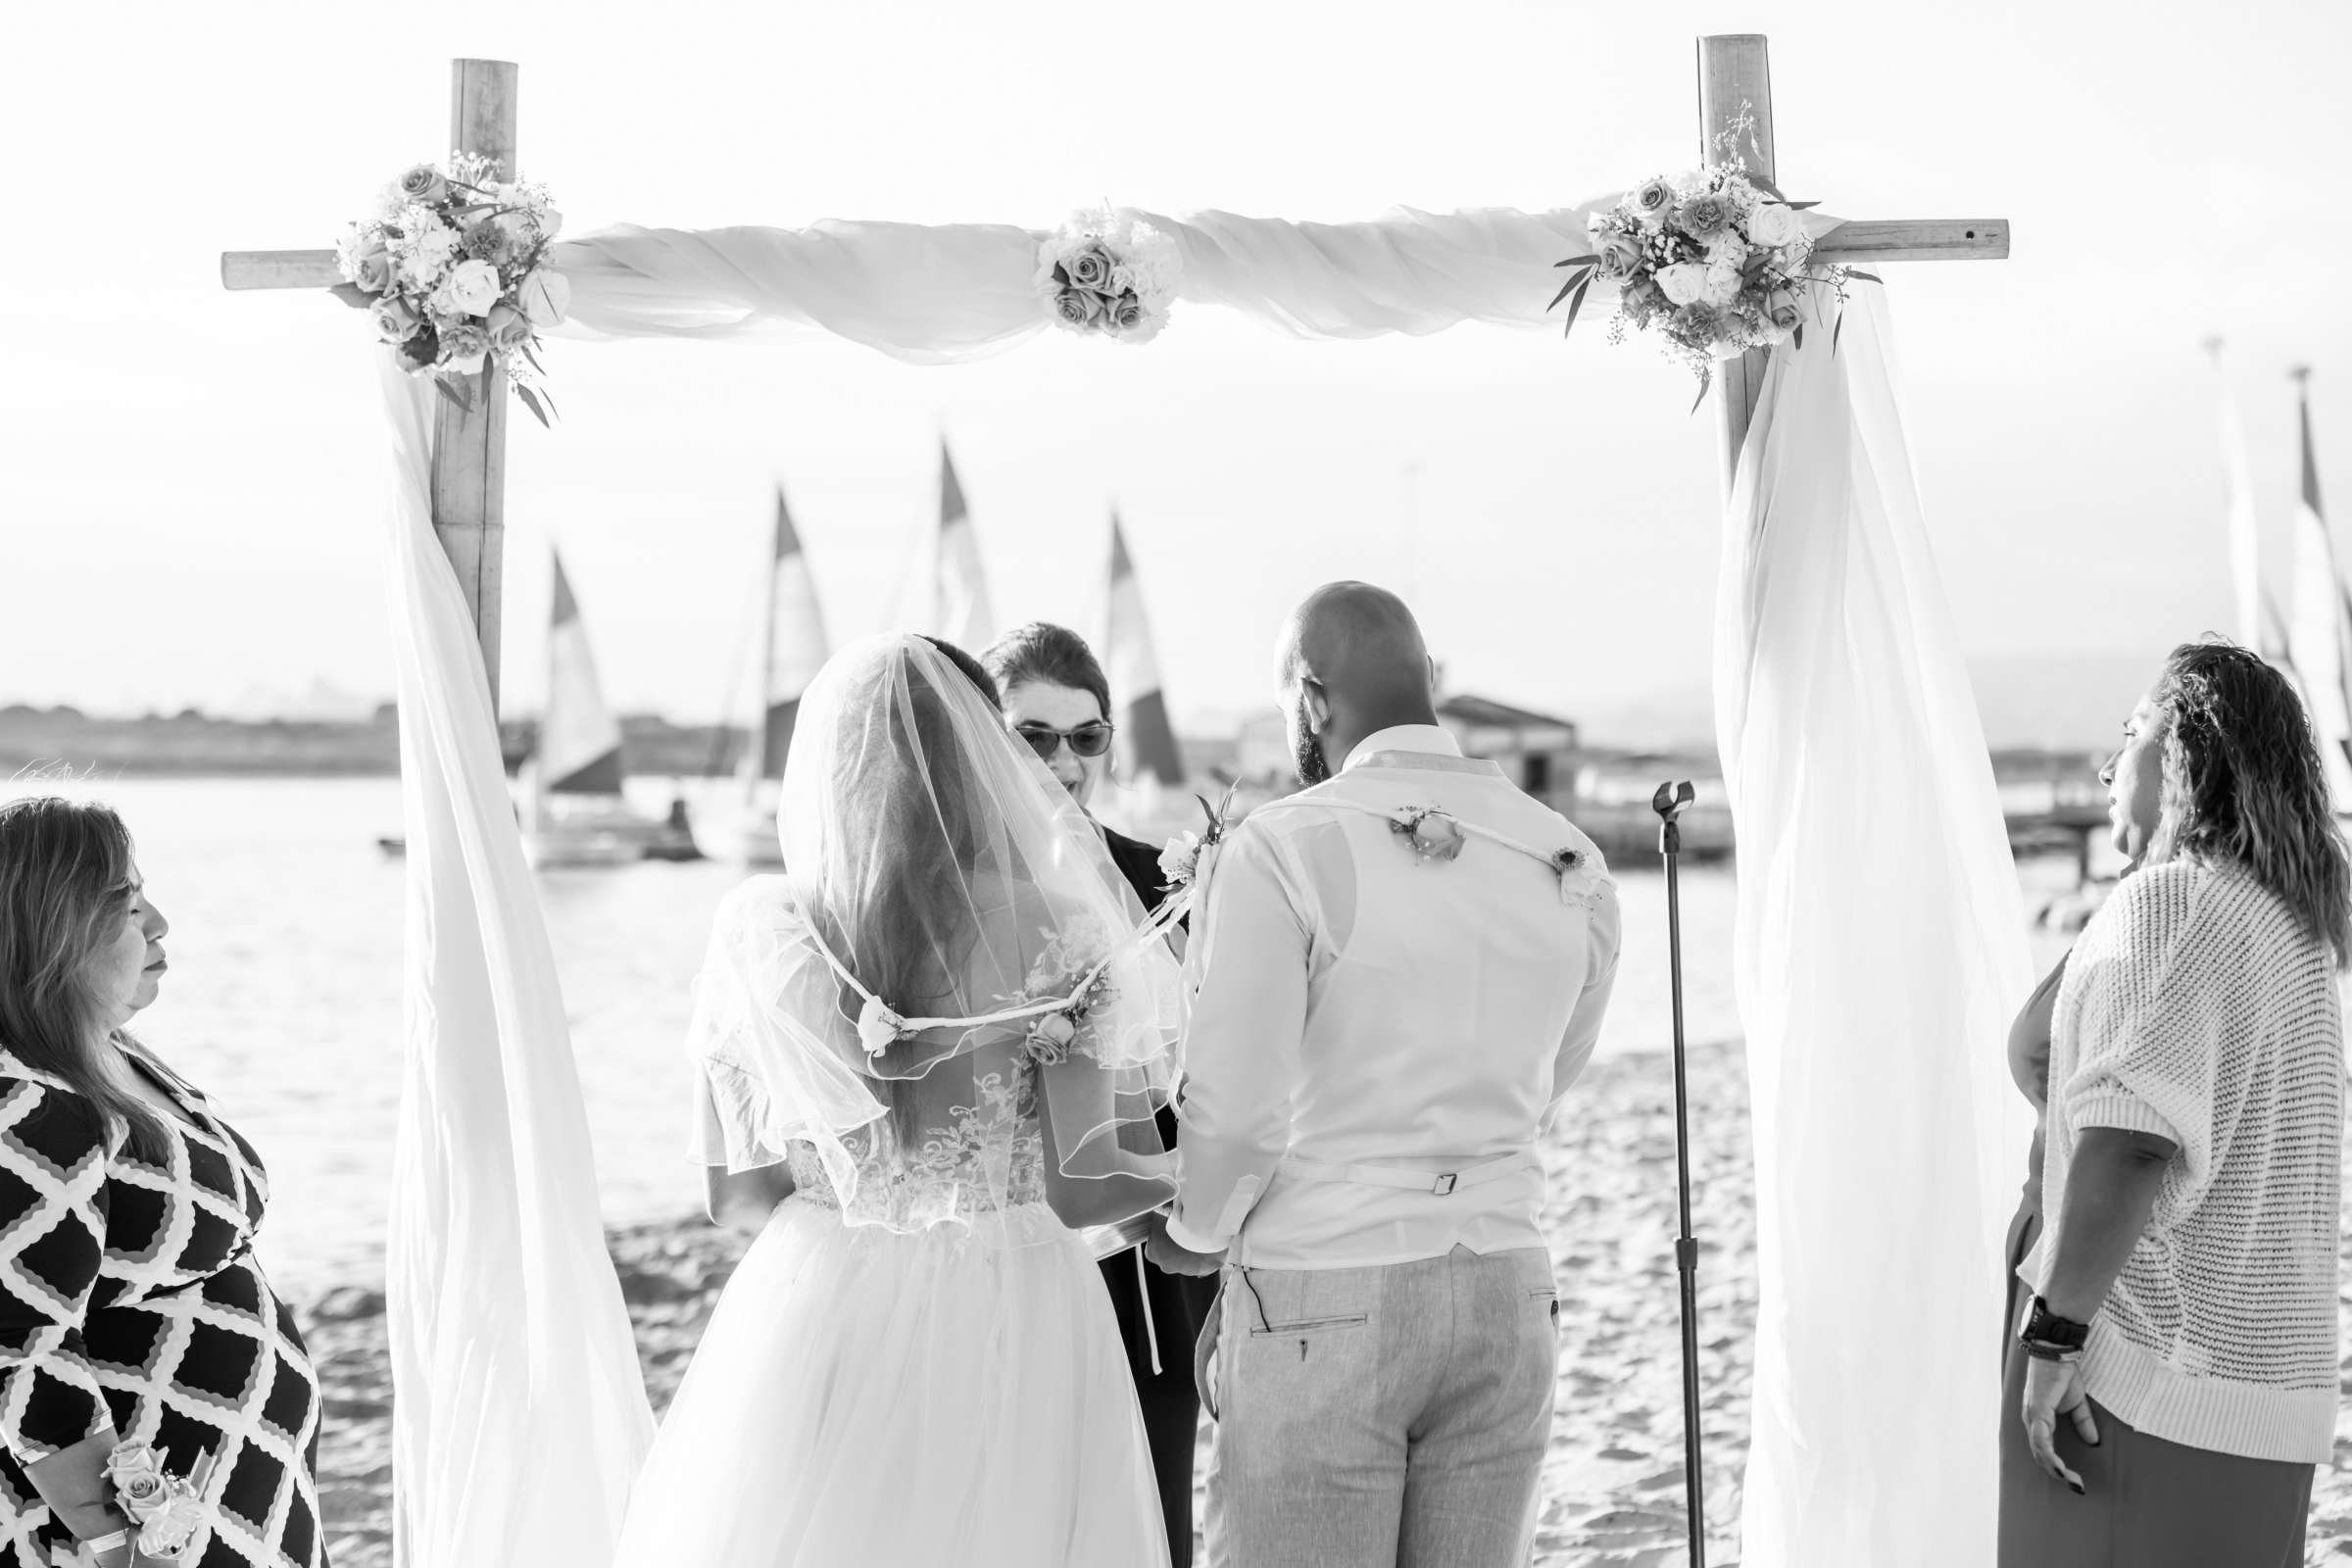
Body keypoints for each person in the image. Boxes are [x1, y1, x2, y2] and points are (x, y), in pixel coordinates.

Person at [613, 634, 1184, 1567]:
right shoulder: (1058, 924)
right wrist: (1201, 1175)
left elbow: (736, 1198)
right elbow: (1085, 1189)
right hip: (1012, 1297)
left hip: (815, 1300)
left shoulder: (764, 932)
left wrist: (852, 1225)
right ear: (980, 756)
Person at [1146, 583, 1621, 1567]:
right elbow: (1554, 1069)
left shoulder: (1287, 846)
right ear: (1432, 682)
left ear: (1312, 698)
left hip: (1327, 1288)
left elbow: (1238, 1112)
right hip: (1505, 1288)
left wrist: (1194, 1229)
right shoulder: (1567, 855)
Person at [2002, 641, 2347, 1567]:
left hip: (2135, 1371)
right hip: (2267, 1397)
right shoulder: (2294, 929)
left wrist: (2054, 1336)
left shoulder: (2175, 905)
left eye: (2132, 731)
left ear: (2191, 745)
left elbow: (2130, 1143)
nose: (2111, 766)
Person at [0, 797, 326, 1568]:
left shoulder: (112, 1052)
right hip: (136, 1539)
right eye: (127, 905)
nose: (159, 924)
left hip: (231, 1498)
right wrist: (122, 1540)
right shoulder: (28, 1106)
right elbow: (21, 1351)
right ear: (53, 929)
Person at [982, 620, 1218, 1568]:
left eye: (1085, 737)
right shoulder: (944, 889)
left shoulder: (1160, 882)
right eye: (1033, 735)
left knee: (1152, 1513)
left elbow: (1213, 1060)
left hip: (1144, 1262)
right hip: (993, 1259)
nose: (1063, 760)